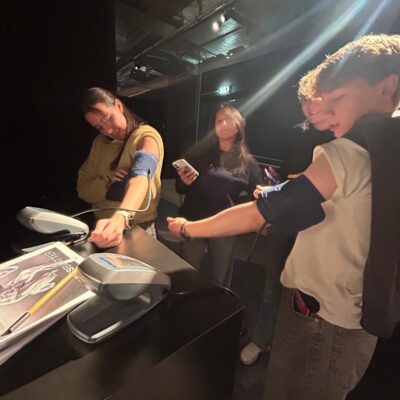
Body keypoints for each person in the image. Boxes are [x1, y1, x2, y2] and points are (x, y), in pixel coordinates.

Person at [167, 33, 400, 399]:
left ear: (386, 87)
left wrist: (188, 227)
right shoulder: (385, 148)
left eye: (338, 99)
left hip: (323, 319)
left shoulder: (348, 152)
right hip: (353, 316)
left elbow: (260, 214)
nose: (326, 114)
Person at [240, 98, 334, 366]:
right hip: (284, 221)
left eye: (315, 101)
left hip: (318, 225)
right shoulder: (298, 132)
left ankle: (295, 349)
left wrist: (296, 182)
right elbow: (284, 175)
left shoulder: (340, 136)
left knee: (307, 291)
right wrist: (273, 185)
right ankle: (262, 339)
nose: (309, 108)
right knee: (272, 285)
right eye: (304, 103)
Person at [175, 103, 263, 287]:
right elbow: (180, 188)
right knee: (187, 272)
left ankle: (219, 302)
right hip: (193, 219)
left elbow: (256, 194)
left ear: (238, 124)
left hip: (225, 224)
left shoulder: (247, 162)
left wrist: (259, 194)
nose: (223, 124)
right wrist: (185, 181)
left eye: (228, 119)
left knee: (220, 277)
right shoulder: (200, 153)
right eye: (218, 121)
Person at [77, 87, 164, 248]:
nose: (108, 130)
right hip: (101, 226)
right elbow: (83, 188)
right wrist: (108, 184)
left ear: (118, 106)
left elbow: (140, 177)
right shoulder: (99, 142)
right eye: (99, 127)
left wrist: (121, 217)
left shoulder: (146, 136)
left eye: (108, 118)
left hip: (136, 228)